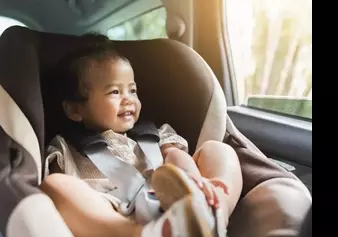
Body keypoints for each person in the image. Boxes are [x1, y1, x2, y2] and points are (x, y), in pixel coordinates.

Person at [40, 33, 243, 237]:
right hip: (113, 211)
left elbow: (175, 155)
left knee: (218, 150)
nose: (128, 100)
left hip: (171, 196)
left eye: (132, 90)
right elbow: (66, 190)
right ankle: (143, 233)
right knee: (54, 184)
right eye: (114, 92)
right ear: (75, 110)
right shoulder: (65, 147)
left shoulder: (155, 134)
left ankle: (214, 212)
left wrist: (192, 180)